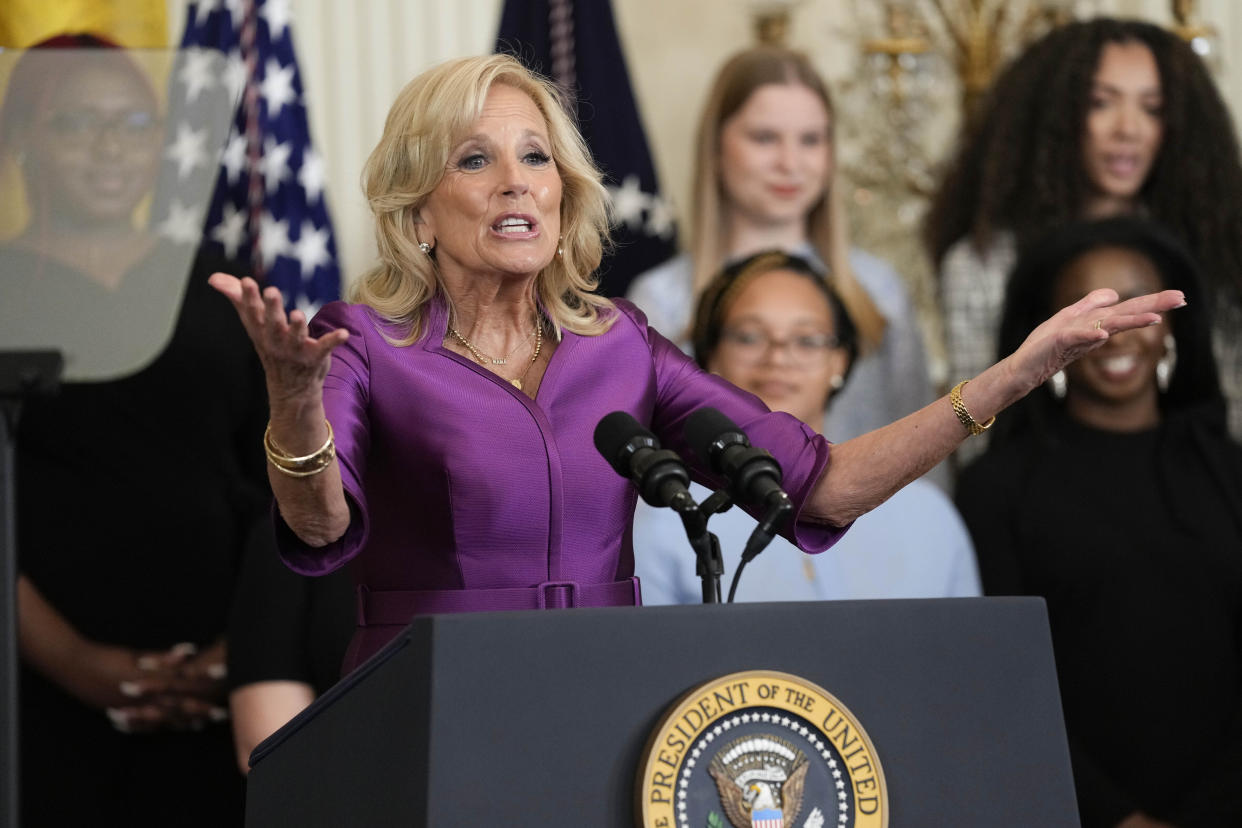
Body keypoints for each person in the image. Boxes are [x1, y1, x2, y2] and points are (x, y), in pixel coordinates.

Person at [208, 52, 1185, 678]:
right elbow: (320, 523)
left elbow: (823, 486)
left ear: (566, 192)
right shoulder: (367, 340)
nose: (515, 182)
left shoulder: (618, 344)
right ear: (418, 208)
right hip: (430, 696)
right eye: (473, 159)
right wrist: (295, 407)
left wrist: (1010, 378)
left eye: (536, 157)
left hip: (609, 694)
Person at [5, 39, 260, 825]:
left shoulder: (226, 289)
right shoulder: (6, 291)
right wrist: (77, 664)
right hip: (42, 707)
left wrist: (242, 655)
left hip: (227, 702)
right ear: (22, 139)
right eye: (78, 123)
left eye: (135, 121)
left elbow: (279, 491)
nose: (111, 146)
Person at [955, 217, 1242, 828]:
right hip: (1064, 808)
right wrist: (1116, 817)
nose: (1118, 334)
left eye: (1141, 308)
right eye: (1093, 312)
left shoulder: (1229, 472)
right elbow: (1003, 680)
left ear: (1173, 333)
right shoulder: (995, 488)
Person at [925, 17, 1242, 459]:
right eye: (1101, 103)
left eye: (1152, 108)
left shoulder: (1209, 246)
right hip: (1031, 507)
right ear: (1055, 117)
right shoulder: (983, 263)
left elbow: (1231, 412)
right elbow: (976, 440)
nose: (1128, 128)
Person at [625, 45, 936, 456]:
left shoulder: (877, 291)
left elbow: (923, 453)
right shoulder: (660, 303)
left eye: (810, 140)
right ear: (717, 148)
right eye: (765, 138)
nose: (790, 163)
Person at [633, 251, 979, 604]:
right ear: (710, 356)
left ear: (840, 360)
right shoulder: (666, 515)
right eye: (749, 337)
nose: (778, 357)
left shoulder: (929, 515)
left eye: (807, 340)